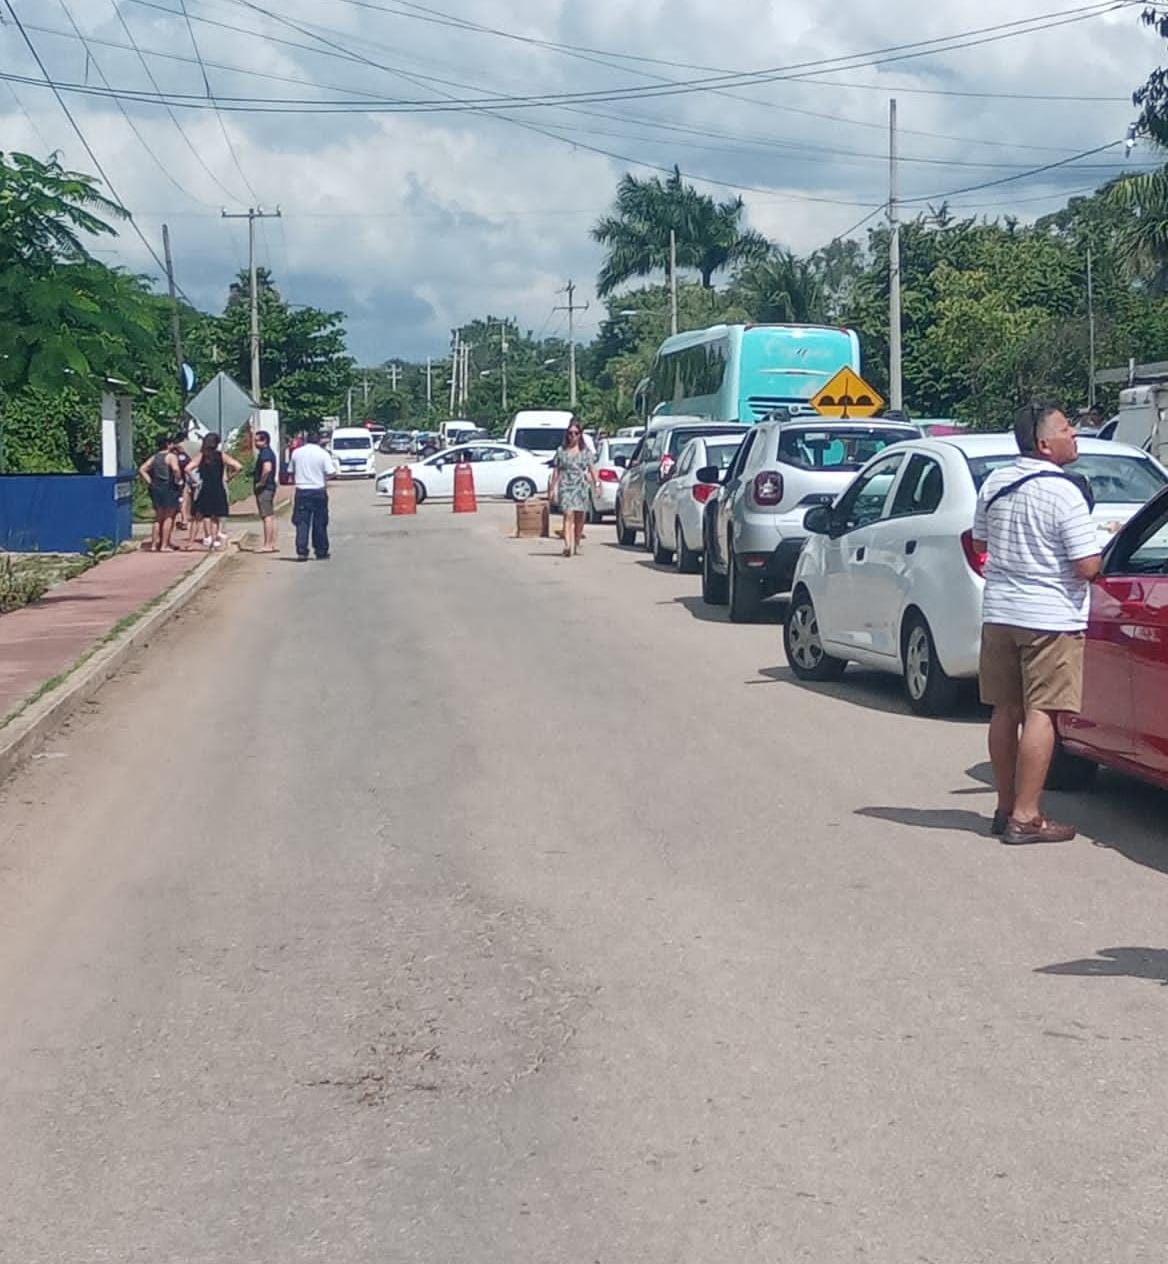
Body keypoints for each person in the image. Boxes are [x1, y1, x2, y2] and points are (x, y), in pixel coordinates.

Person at [971, 402, 1102, 846]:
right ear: (1045, 444)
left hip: (1000, 613)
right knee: (1042, 712)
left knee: (1005, 710)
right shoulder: (1063, 492)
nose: (1075, 435)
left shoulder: (995, 482)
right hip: (1050, 618)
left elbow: (981, 540)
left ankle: (1005, 807)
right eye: (1068, 429)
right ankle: (1028, 817)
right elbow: (1087, 566)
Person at [549, 418, 597, 557]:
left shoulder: (586, 452)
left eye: (576, 433)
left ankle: (576, 542)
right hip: (566, 485)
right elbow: (557, 470)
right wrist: (552, 488)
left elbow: (592, 469)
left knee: (579, 516)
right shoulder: (561, 451)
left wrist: (597, 484)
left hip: (581, 485)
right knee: (568, 514)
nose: (573, 436)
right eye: (570, 433)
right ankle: (568, 545)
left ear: (580, 434)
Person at [186, 433, 242, 551]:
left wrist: (195, 480)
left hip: (205, 487)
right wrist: (229, 477)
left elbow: (187, 468)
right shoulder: (221, 456)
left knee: (201, 515)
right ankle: (215, 539)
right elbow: (238, 466)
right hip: (218, 487)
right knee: (216, 516)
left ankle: (198, 540)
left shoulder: (202, 456)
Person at [289, 429, 337, 561]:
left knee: (302, 522)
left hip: (302, 491)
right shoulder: (323, 454)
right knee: (320, 523)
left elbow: (290, 471)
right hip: (318, 491)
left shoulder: (296, 453)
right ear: (319, 440)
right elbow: (331, 472)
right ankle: (320, 550)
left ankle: (302, 551)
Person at [137, 433, 184, 552]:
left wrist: (150, 482)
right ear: (168, 445)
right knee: (169, 516)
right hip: (168, 487)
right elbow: (175, 469)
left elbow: (142, 469)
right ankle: (164, 545)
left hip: (156, 487)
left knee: (158, 517)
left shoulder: (155, 457)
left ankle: (154, 544)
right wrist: (178, 479)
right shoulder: (171, 456)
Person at [253, 429, 279, 553]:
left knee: (267, 516)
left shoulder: (265, 453)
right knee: (271, 516)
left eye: (257, 441)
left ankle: (268, 544)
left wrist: (261, 482)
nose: (255, 443)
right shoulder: (267, 452)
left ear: (264, 441)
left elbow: (267, 468)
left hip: (265, 488)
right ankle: (272, 543)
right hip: (270, 487)